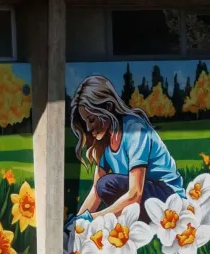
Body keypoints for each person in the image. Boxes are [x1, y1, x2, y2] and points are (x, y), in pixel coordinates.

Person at [71, 73, 184, 222]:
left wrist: (93, 219)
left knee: (107, 184)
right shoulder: (105, 141)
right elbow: (96, 192)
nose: (88, 128)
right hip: (146, 197)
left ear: (108, 107)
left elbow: (135, 194)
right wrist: (77, 222)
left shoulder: (134, 130)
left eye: (91, 119)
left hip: (168, 197)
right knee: (102, 186)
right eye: (86, 122)